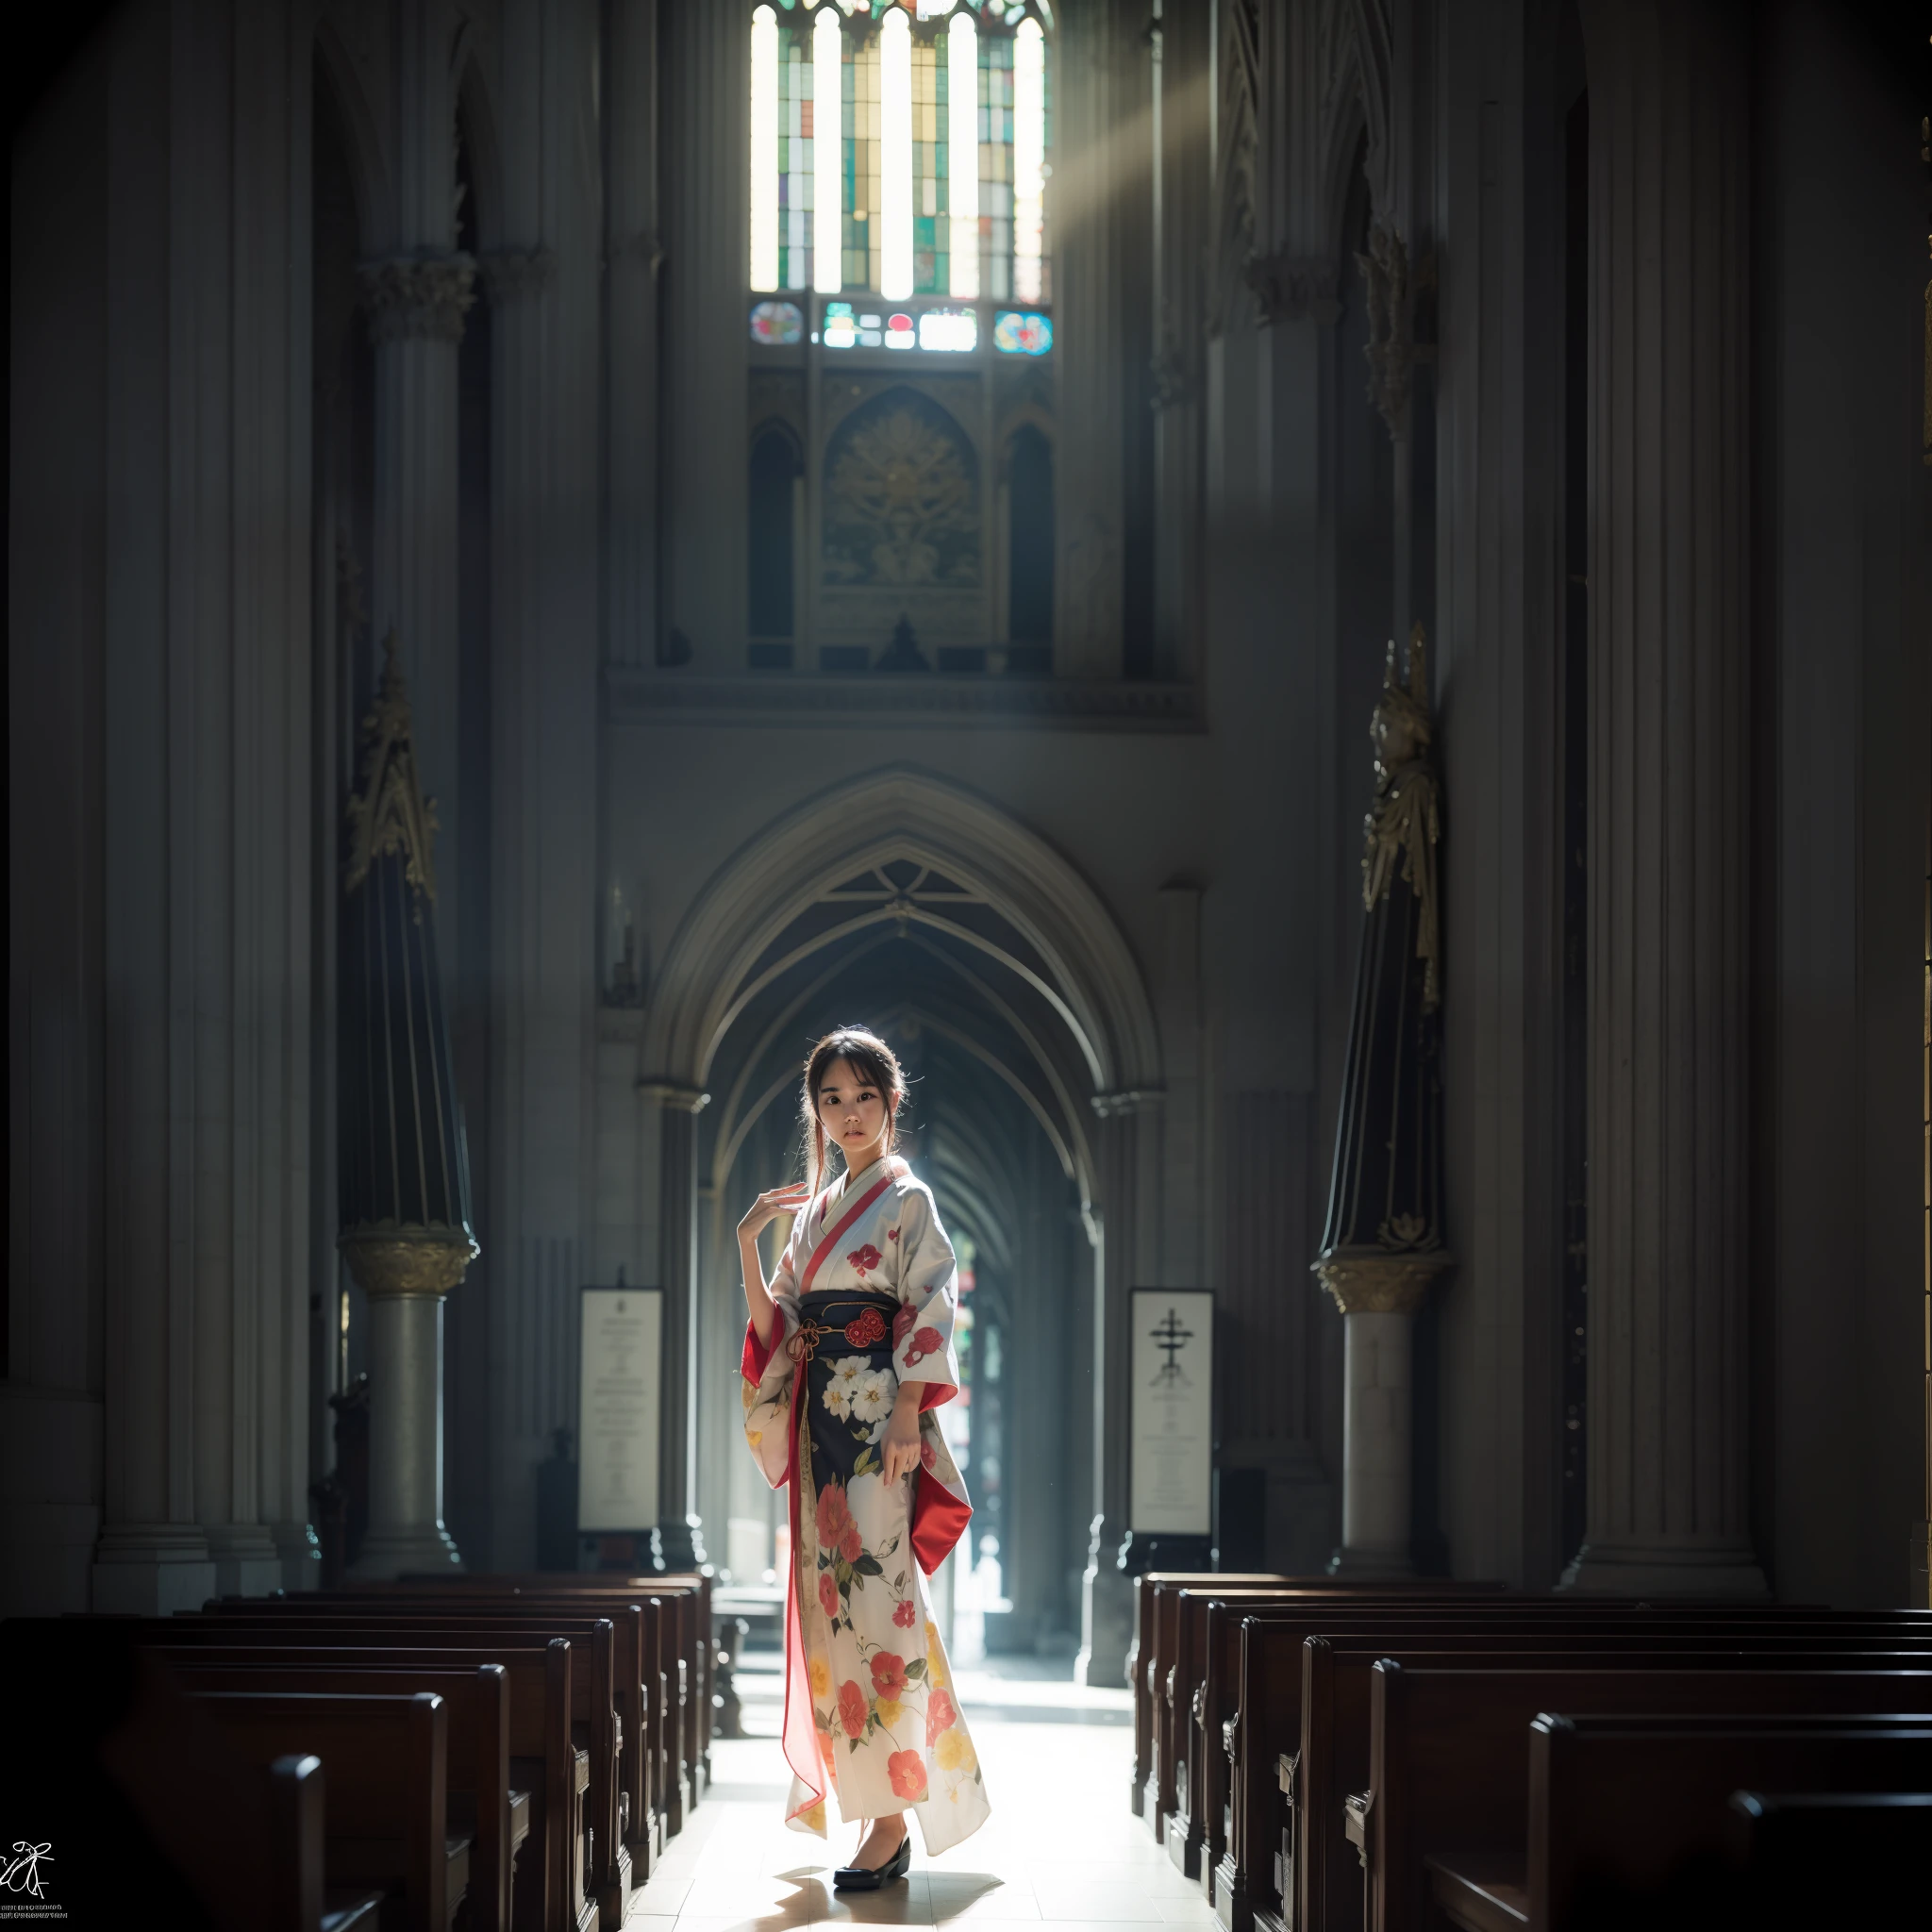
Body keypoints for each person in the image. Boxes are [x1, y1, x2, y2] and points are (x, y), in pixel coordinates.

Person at [738, 1026, 990, 1888]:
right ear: (816, 1110)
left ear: (892, 1103)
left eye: (863, 1097)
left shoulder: (907, 1199)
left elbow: (928, 1303)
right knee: (830, 1612)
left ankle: (888, 1823)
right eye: (832, 1100)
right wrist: (749, 1241)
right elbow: (777, 1324)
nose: (848, 1114)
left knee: (880, 1609)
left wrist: (912, 1413)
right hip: (820, 1433)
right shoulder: (810, 1210)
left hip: (877, 1421)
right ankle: (877, 1809)